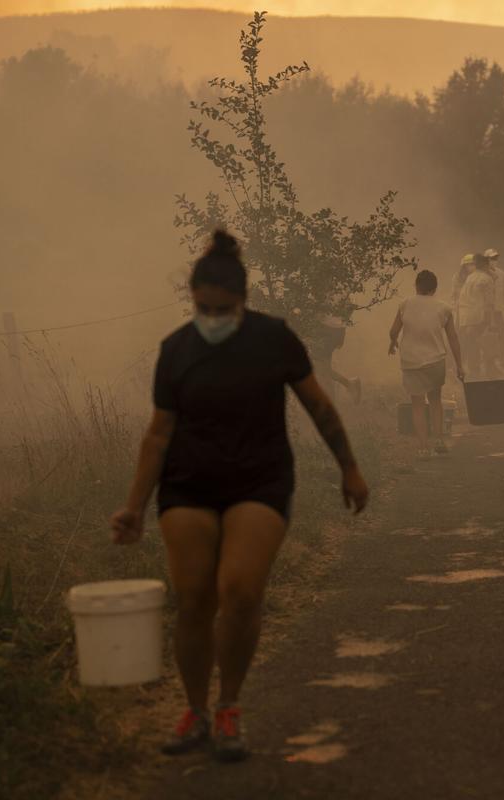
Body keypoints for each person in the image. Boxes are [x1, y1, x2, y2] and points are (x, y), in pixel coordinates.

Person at [110, 230, 369, 763]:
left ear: (242, 301)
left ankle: (228, 705)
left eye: (222, 310)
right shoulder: (176, 350)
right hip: (188, 485)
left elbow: (319, 407)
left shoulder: (274, 340)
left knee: (241, 589)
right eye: (203, 309)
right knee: (194, 598)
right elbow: (158, 433)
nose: (212, 318)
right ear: (193, 300)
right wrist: (134, 506)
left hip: (259, 481)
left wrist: (349, 468)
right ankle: (195, 710)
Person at [389, 269, 465, 457]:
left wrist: (393, 342)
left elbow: (393, 331)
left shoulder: (404, 304)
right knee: (435, 401)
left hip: (411, 361)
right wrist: (459, 365)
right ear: (434, 289)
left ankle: (423, 447)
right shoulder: (444, 308)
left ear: (416, 286)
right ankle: (438, 440)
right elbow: (453, 338)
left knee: (417, 404)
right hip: (435, 361)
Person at [457, 252, 498, 379]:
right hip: (479, 318)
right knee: (487, 343)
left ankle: (475, 372)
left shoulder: (470, 277)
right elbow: (489, 303)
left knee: (472, 345)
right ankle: (489, 371)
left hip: (466, 319)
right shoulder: (486, 279)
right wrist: (490, 322)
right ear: (485, 265)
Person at [482, 248, 504, 374]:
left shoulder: (501, 273)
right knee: (486, 337)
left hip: (498, 310)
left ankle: (503, 361)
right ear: (486, 260)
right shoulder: (481, 274)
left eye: (496, 258)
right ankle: (487, 362)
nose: (495, 261)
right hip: (485, 312)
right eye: (492, 258)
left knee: (503, 334)